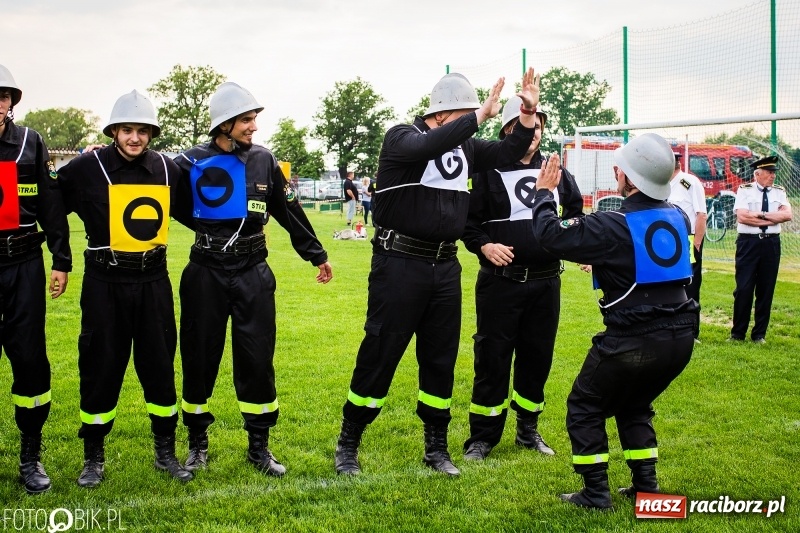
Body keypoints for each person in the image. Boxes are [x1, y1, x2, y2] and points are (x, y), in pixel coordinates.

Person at [334, 68, 541, 477]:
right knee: (381, 352)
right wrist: (479, 116)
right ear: (443, 114)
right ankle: (349, 442)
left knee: (440, 358)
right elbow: (428, 145)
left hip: (445, 268)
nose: (470, 123)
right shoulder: (400, 138)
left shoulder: (464, 148)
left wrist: (528, 115)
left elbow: (509, 151)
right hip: (399, 265)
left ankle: (436, 448)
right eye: (464, 115)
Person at [531, 133, 698, 509]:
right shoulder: (678, 216)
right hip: (681, 334)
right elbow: (645, 261)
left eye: (619, 169)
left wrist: (544, 193)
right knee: (635, 403)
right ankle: (647, 487)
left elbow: (548, 234)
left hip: (636, 336)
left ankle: (595, 492)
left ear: (628, 178)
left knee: (584, 404)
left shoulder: (612, 224)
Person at [175, 82, 332, 477]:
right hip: (204, 273)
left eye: (254, 119)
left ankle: (259, 446)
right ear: (224, 124)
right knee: (198, 357)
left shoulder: (264, 160)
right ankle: (197, 444)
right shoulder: (189, 162)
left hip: (253, 274)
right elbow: (168, 202)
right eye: (246, 120)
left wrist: (316, 254)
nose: (254, 127)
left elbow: (289, 211)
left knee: (257, 359)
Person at [58, 90, 194, 488]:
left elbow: (200, 200)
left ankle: (165, 451)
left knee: (159, 365)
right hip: (104, 283)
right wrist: (60, 259)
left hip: (153, 282)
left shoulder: (169, 169)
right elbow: (49, 200)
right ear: (114, 131)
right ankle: (93, 457)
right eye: (127, 130)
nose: (134, 138)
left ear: (151, 133)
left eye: (142, 131)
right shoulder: (86, 167)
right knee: (100, 367)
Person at [461, 96, 584, 461]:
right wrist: (484, 246)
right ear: (508, 131)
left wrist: (574, 243)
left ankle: (528, 430)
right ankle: (482, 437)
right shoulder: (487, 172)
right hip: (500, 282)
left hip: (546, 283)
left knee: (537, 357)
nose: (534, 133)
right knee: (492, 357)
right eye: (523, 126)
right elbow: (467, 223)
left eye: (538, 125)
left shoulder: (557, 171)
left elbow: (576, 214)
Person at [0, 64, 71, 494]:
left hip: (24, 265)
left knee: (29, 360)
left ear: (10, 102)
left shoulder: (30, 142)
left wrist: (60, 260)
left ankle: (30, 454)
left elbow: (51, 206)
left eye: (2, 96)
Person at [729, 155, 792, 343]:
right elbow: (743, 217)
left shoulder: (779, 192)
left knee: (766, 289)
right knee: (744, 288)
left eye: (773, 172)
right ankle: (737, 334)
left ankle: (759, 335)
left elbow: (787, 215)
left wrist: (760, 215)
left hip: (771, 243)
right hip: (748, 243)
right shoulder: (744, 190)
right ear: (758, 174)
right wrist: (773, 216)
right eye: (769, 172)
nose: (773, 176)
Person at [667, 151, 707, 340]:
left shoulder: (689, 182)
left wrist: (697, 243)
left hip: (688, 240)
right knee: (669, 285)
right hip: (668, 241)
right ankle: (672, 326)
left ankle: (692, 332)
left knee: (690, 286)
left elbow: (701, 215)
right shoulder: (663, 185)